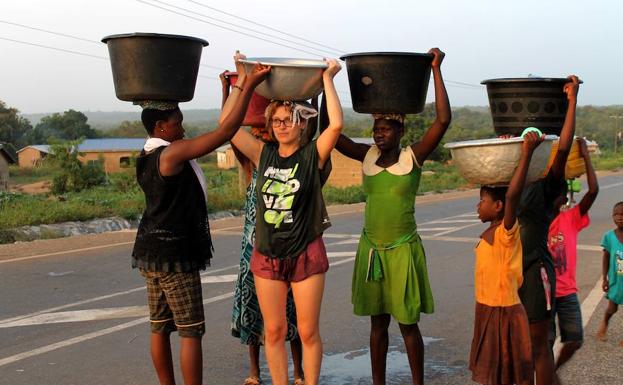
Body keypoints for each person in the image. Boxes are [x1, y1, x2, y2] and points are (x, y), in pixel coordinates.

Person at [131, 63, 270, 385]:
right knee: (191, 330)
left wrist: (232, 89)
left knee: (159, 325)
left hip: (150, 252)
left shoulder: (147, 154)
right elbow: (224, 133)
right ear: (161, 126)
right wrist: (246, 86)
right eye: (177, 122)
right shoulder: (171, 155)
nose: (182, 127)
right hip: (174, 255)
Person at [330, 48, 450, 385]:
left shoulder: (413, 158)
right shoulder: (366, 156)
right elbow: (334, 135)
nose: (378, 134)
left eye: (384, 129)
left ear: (399, 132)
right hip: (372, 249)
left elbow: (442, 120)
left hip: (402, 250)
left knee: (408, 324)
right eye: (375, 129)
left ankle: (417, 382)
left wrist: (437, 70)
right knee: (377, 323)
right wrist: (325, 83)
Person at [226, 52, 343, 385]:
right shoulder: (263, 154)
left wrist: (327, 80)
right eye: (275, 121)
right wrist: (242, 81)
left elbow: (335, 124)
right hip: (268, 255)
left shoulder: (312, 155)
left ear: (300, 123)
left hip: (306, 253)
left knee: (307, 331)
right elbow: (229, 126)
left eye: (287, 120)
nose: (280, 126)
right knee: (274, 330)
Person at [219, 68, 308, 385]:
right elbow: (228, 129)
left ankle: (298, 371)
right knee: (253, 310)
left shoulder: (296, 159)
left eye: (279, 125)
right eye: (269, 127)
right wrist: (230, 90)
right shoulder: (256, 159)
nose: (265, 135)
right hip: (254, 247)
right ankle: (255, 372)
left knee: (295, 310)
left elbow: (312, 126)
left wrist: (313, 94)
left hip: (290, 246)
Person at [516, 75, 580, 385]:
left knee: (538, 346)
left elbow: (564, 148)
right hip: (510, 271)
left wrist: (572, 100)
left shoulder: (544, 183)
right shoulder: (510, 182)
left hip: (534, 271)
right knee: (520, 346)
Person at [470, 132, 544, 385]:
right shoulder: (490, 232)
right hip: (487, 309)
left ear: (499, 206)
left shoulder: (506, 233)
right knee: (494, 376)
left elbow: (513, 195)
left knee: (507, 375)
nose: (478, 206)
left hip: (504, 312)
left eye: (482, 201)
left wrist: (526, 153)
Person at [548, 138, 598, 375]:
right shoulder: (536, 221)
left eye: (564, 195)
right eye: (558, 195)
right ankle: (545, 376)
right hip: (544, 294)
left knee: (575, 339)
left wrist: (586, 156)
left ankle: (553, 371)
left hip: (567, 292)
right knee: (542, 344)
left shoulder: (571, 218)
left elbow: (593, 191)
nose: (563, 199)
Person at [596, 201, 623, 346]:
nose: (619, 217)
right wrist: (605, 278)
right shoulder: (609, 237)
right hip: (616, 281)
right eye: (616, 214)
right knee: (612, 308)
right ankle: (604, 323)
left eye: (622, 214)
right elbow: (606, 257)